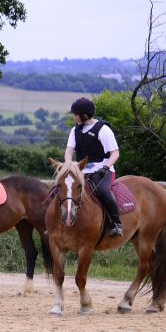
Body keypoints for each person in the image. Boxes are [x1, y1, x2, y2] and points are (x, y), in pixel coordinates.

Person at [64, 97, 123, 237]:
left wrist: (106, 167)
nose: (74, 117)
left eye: (76, 114)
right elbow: (69, 150)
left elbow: (115, 153)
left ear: (84, 115)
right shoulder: (75, 130)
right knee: (61, 189)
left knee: (103, 191)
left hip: (102, 170)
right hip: (81, 170)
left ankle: (116, 224)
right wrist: (68, 166)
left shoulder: (103, 129)